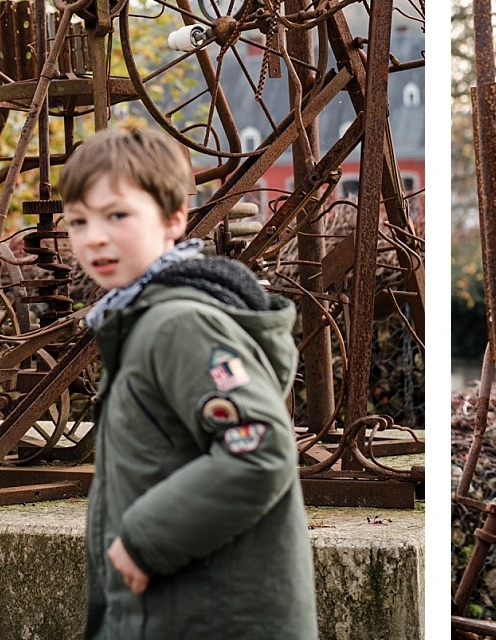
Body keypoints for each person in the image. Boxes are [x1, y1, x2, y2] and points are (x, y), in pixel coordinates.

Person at [59, 125, 319, 639]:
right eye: (78, 221)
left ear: (174, 217)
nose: (94, 237)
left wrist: (144, 539)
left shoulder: (178, 324)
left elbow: (258, 448)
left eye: (117, 215)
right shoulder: (143, 319)